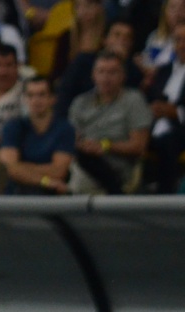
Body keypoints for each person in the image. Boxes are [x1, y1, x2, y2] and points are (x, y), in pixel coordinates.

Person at [67, 50, 150, 194]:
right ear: (93, 75)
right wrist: (83, 145)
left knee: (79, 175)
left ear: (123, 76)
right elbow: (71, 137)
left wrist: (104, 146)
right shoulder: (80, 102)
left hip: (116, 168)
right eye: (101, 72)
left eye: (112, 72)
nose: (106, 78)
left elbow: (139, 146)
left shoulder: (134, 100)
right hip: (81, 160)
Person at [0, 75, 76, 194]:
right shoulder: (12, 126)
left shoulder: (65, 129)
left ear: (53, 98)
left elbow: (59, 171)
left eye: (42, 95)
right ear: (25, 99)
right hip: (16, 195)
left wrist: (20, 167)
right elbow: (8, 168)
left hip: (51, 196)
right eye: (30, 95)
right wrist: (45, 181)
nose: (36, 100)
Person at [55, 19, 142, 118]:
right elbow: (65, 93)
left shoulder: (133, 70)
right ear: (104, 39)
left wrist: (123, 62)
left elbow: (127, 95)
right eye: (117, 35)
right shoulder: (83, 61)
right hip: (79, 117)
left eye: (127, 37)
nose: (122, 40)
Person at [146, 23, 185, 193]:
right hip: (154, 124)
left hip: (180, 129)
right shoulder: (163, 71)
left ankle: (165, 194)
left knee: (167, 141)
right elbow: (150, 98)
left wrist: (177, 113)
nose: (182, 45)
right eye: (178, 40)